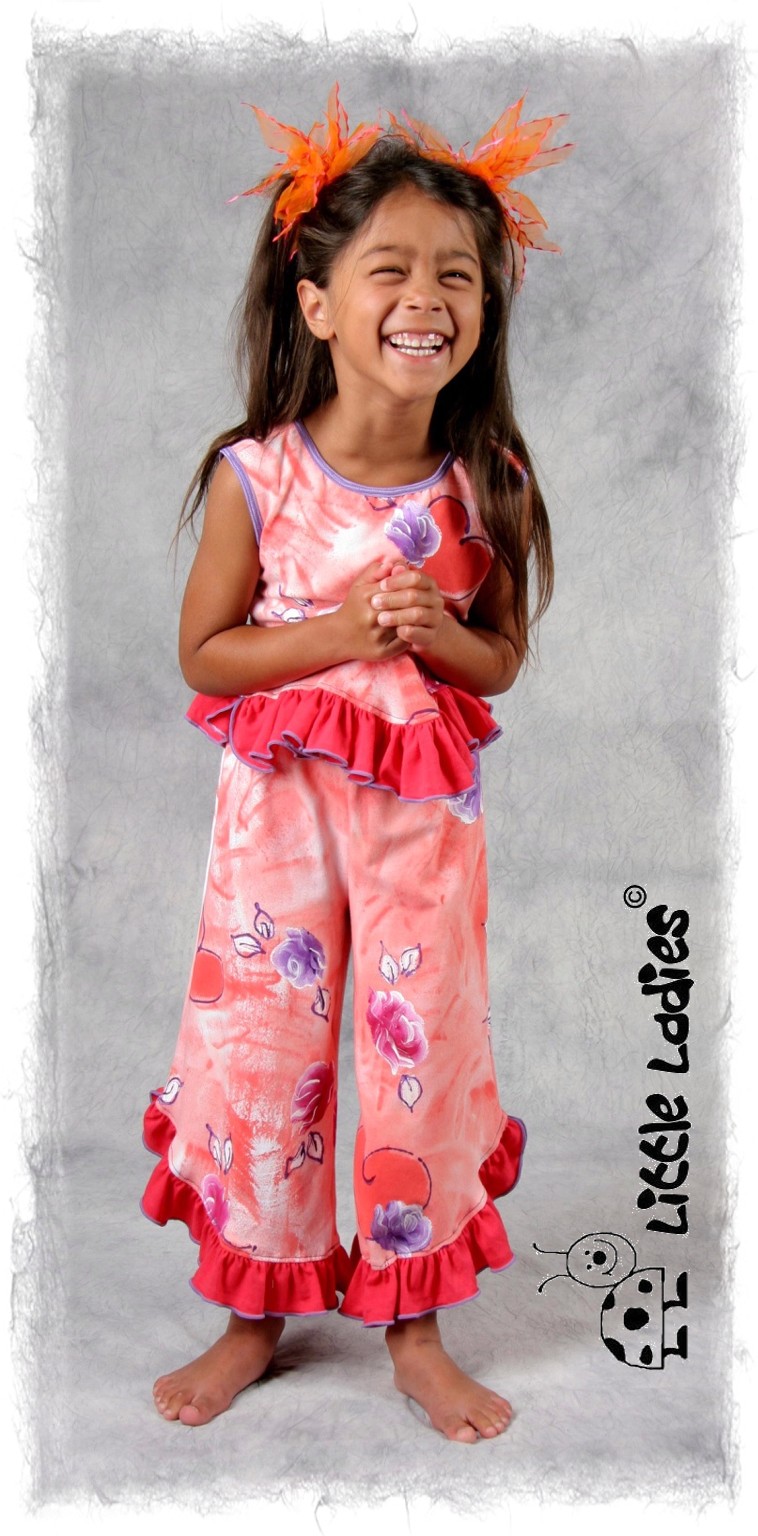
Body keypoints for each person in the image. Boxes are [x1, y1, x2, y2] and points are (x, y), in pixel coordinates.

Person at [141, 84, 572, 1442]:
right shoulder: (258, 476)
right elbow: (205, 654)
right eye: (390, 268)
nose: (426, 296)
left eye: (458, 274)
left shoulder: (485, 480)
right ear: (317, 302)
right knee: (265, 1054)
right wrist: (332, 633)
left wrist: (440, 633)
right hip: (275, 829)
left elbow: (499, 662)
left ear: (484, 307)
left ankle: (416, 1329)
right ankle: (252, 1316)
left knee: (418, 1054)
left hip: (419, 837)